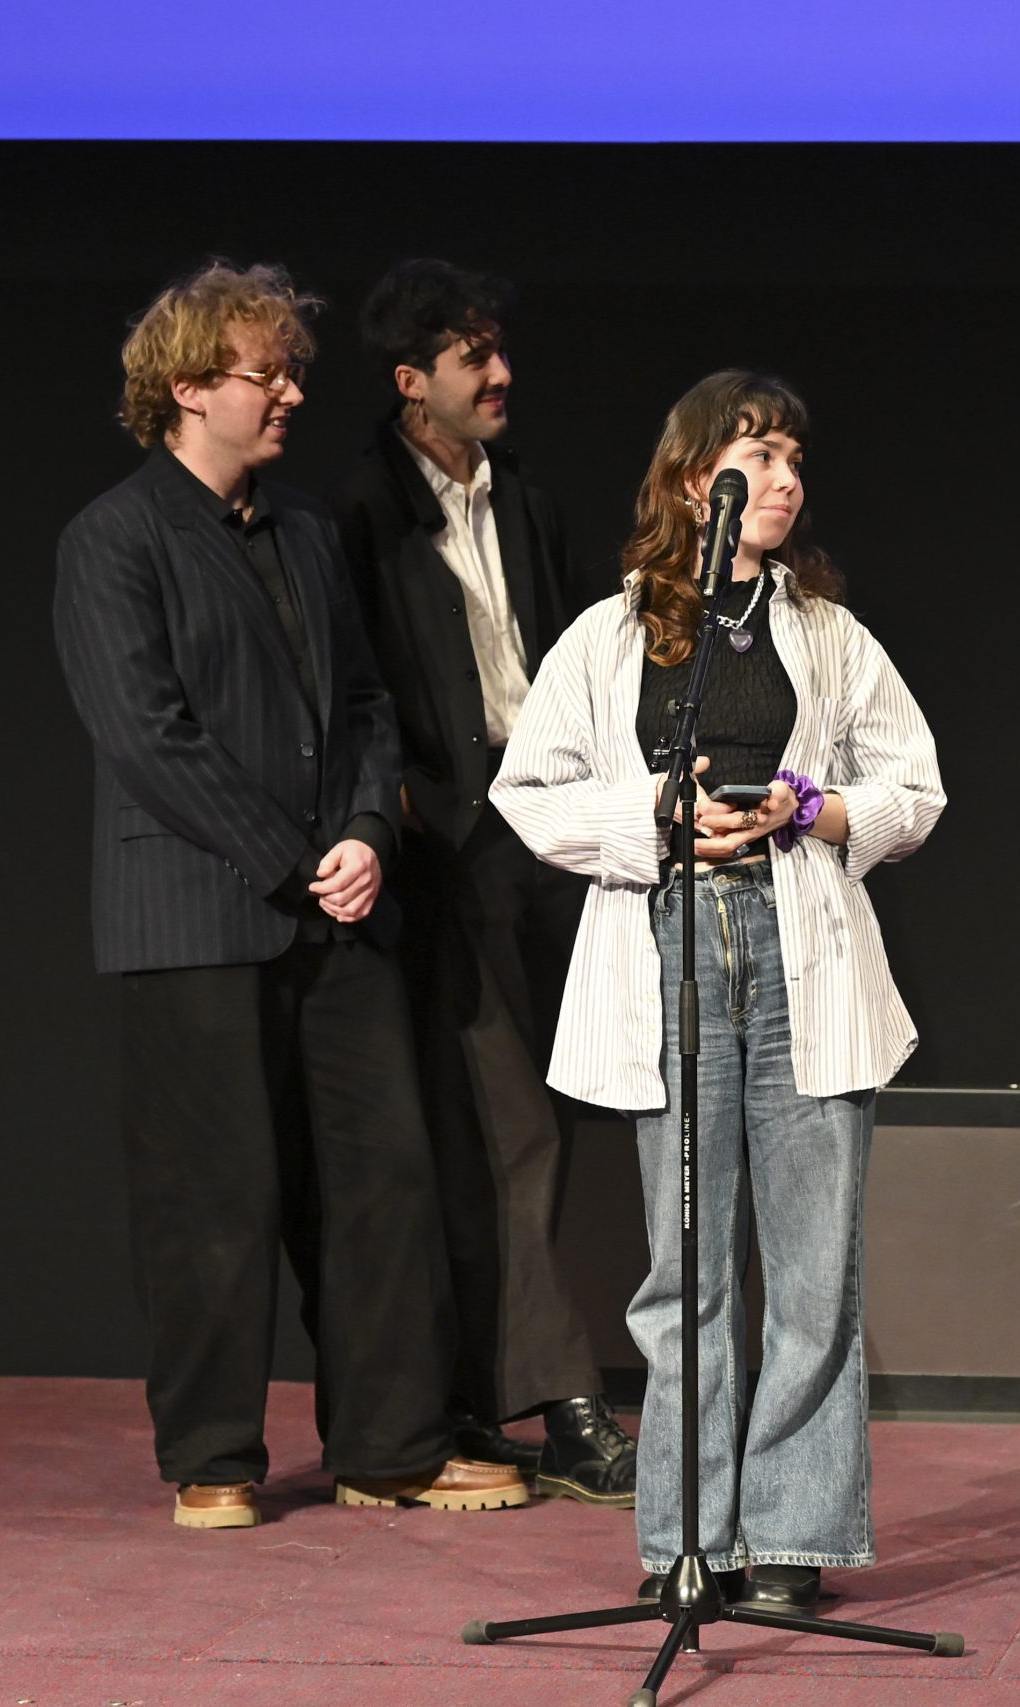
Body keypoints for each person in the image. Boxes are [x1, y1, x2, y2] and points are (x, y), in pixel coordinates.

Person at [52, 259, 527, 1527]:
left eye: (295, 374)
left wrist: (370, 827)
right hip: (199, 919)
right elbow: (147, 736)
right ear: (189, 384)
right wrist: (288, 859)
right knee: (214, 1195)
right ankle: (212, 1459)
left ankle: (390, 1446)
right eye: (270, 374)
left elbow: (366, 706)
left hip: (339, 910)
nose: (291, 398)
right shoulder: (114, 538)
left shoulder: (308, 529)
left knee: (383, 1179)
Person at [492, 370, 943, 1611]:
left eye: (798, 460)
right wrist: (657, 812)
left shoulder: (830, 634)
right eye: (760, 456)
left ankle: (793, 1539)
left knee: (810, 1269)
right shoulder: (611, 635)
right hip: (673, 942)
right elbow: (526, 795)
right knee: (684, 1272)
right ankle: (690, 1538)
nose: (787, 482)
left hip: (800, 950)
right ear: (697, 478)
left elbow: (916, 787)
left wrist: (820, 807)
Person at [328, 259, 634, 1506]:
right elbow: (353, 691)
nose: (499, 374)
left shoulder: (531, 503)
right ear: (413, 384)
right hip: (445, 851)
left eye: (499, 348)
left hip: (548, 838)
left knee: (555, 1125)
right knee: (504, 1128)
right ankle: (562, 1405)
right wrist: (404, 807)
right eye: (470, 356)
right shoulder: (356, 514)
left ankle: (511, 1387)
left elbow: (567, 665)